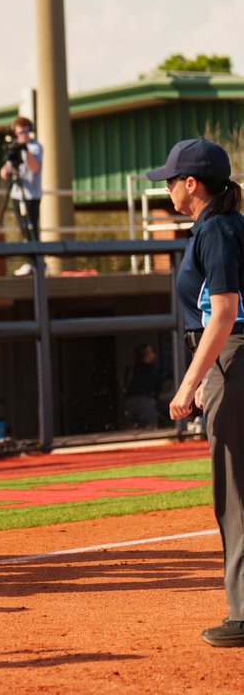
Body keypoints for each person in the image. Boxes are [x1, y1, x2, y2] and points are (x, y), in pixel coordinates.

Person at [148, 138, 244, 647]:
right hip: (228, 360)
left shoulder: (217, 230)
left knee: (235, 491)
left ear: (193, 184)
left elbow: (224, 313)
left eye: (171, 180)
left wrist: (190, 381)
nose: (166, 188)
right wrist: (209, 374)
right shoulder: (227, 225)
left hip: (234, 357)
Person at [0, 116, 43, 274]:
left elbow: (35, 167)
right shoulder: (16, 147)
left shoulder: (36, 147)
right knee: (23, 229)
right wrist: (6, 170)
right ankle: (29, 261)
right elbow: (6, 169)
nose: (21, 136)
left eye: (24, 132)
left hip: (32, 195)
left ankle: (38, 262)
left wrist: (25, 149)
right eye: (18, 133)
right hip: (17, 194)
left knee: (32, 228)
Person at [123, 343, 164, 427]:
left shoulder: (130, 369)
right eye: (151, 352)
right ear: (147, 355)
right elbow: (158, 387)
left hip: (130, 401)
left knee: (129, 427)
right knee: (152, 426)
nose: (153, 354)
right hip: (146, 401)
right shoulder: (153, 370)